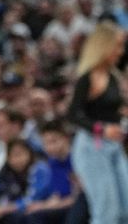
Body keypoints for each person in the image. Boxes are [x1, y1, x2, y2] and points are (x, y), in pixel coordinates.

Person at [67, 21, 128, 224]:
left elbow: (108, 109)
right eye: (117, 45)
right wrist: (101, 129)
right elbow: (73, 114)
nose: (120, 51)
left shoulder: (112, 75)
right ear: (104, 46)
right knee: (106, 214)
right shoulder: (88, 77)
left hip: (113, 146)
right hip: (92, 146)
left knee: (125, 212)